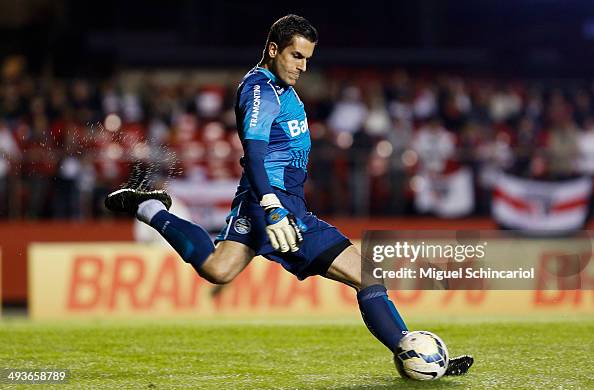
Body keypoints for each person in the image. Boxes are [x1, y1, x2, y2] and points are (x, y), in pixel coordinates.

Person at [105, 14, 473, 377]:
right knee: (368, 276)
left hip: (263, 198)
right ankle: (415, 355)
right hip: (277, 202)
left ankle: (149, 208)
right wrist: (272, 206)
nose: (303, 67)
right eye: (296, 56)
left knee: (218, 268)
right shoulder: (261, 90)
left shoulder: (278, 88)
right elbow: (254, 152)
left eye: (307, 59)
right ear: (272, 48)